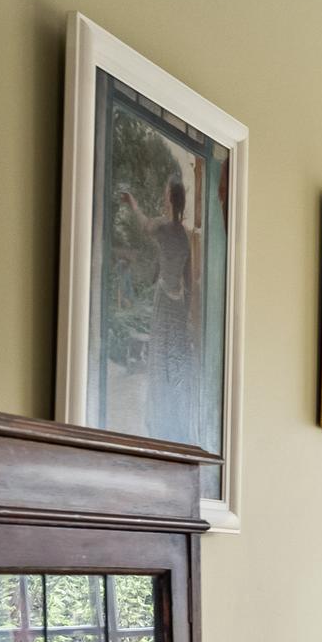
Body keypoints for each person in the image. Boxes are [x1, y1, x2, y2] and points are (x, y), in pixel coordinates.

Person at [117, 173, 201, 445]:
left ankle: (161, 418)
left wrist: (133, 203)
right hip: (177, 303)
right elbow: (189, 279)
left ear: (169, 197)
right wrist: (187, 312)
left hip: (165, 300)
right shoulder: (184, 235)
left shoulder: (164, 227)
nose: (164, 197)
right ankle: (172, 419)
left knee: (161, 356)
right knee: (172, 359)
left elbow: (143, 224)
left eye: (166, 193)